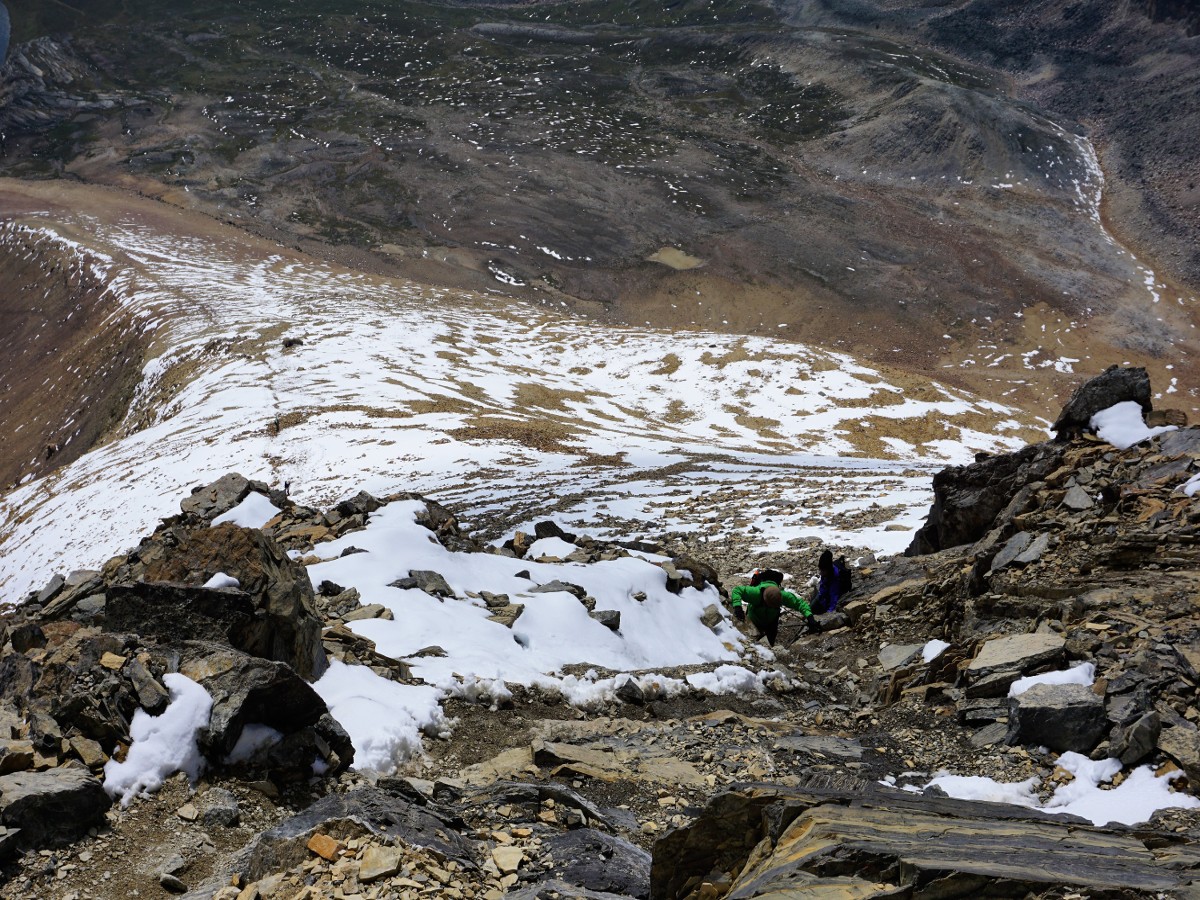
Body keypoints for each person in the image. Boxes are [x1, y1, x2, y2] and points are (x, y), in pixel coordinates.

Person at [731, 573, 819, 646]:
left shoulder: (782, 595)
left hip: (771, 622)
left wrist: (810, 617)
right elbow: (737, 590)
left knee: (769, 644)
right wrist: (737, 607)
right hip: (754, 621)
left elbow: (800, 604)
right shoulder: (756, 593)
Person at [810, 550, 843, 614]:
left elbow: (834, 595)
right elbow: (823, 584)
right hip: (822, 594)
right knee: (811, 607)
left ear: (828, 569)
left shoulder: (834, 577)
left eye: (823, 571)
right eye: (820, 570)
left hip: (826, 597)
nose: (821, 573)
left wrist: (829, 611)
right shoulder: (826, 571)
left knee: (813, 608)